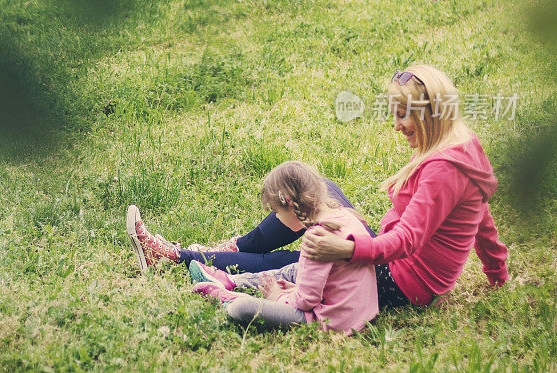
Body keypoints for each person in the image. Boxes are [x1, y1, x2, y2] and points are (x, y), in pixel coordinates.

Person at [126, 64, 509, 310]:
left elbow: (408, 240)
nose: (396, 126)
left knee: (295, 263)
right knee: (317, 191)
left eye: (403, 115)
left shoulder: (444, 169)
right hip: (392, 260)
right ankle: (230, 248)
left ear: (429, 112)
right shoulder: (462, 147)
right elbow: (482, 217)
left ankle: (179, 256)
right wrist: (497, 271)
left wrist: (344, 249)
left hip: (399, 281)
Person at [188, 161, 378, 334]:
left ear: (288, 202)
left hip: (330, 323)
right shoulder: (347, 217)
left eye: (276, 212)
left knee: (244, 308)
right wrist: (294, 290)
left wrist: (279, 297)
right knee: (290, 274)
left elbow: (306, 301)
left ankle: (229, 298)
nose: (277, 219)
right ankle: (232, 280)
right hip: (361, 314)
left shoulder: (316, 238)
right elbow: (334, 280)